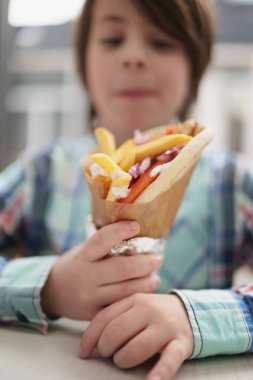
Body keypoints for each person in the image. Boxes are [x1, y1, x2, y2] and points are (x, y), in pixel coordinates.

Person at [0, 0, 253, 380]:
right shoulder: (38, 174)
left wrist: (197, 318)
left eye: (163, 42)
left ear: (195, 66)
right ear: (83, 62)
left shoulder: (232, 184)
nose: (134, 56)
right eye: (113, 39)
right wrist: (49, 286)